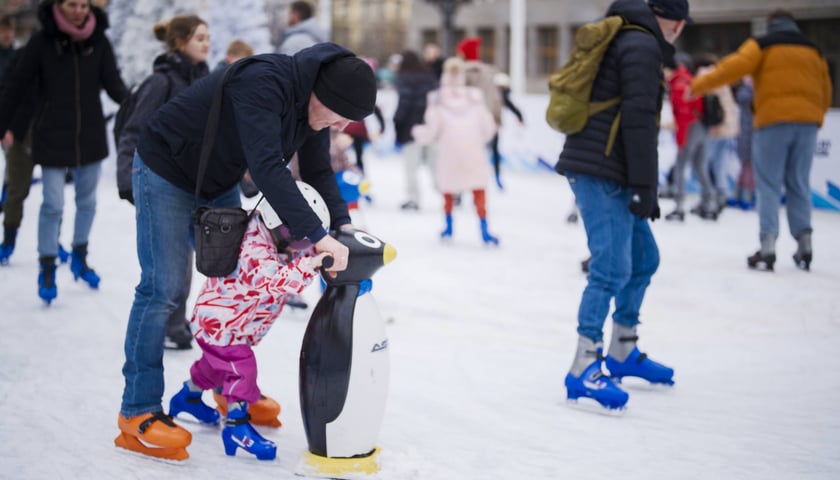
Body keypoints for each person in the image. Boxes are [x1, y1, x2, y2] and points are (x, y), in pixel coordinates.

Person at [114, 42, 376, 461]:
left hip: (216, 179)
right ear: (322, 95)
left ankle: (227, 385)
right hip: (165, 168)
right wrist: (316, 235)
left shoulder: (309, 107)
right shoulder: (263, 82)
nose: (342, 127)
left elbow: (318, 170)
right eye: (341, 115)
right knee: (162, 289)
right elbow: (268, 168)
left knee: (238, 285)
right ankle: (138, 409)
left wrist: (341, 228)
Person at [553, 0, 688, 411]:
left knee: (644, 258)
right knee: (611, 267)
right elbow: (639, 117)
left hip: (609, 165)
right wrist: (646, 185)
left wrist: (639, 182)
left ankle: (622, 351)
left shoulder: (627, 37)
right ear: (675, 23)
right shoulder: (641, 45)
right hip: (599, 169)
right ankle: (583, 366)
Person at [168, 184, 332, 461]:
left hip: (231, 325)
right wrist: (311, 265)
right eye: (301, 239)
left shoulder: (278, 235)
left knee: (214, 369)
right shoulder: (254, 247)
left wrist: (323, 248)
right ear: (278, 224)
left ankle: (187, 397)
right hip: (220, 326)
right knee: (242, 369)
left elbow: (301, 251)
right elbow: (271, 281)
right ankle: (236, 427)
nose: (302, 246)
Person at [0, 0, 127, 304]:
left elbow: (114, 86)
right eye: (72, 4)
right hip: (51, 135)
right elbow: (16, 85)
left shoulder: (98, 40)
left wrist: (141, 107)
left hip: (90, 136)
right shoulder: (42, 42)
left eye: (84, 4)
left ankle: (80, 257)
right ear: (58, 6)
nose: (80, 10)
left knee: (87, 203)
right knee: (53, 204)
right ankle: (47, 267)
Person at [690, 9, 831, 272]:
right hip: (808, 124)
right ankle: (805, 243)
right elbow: (826, 90)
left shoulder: (763, 44)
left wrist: (698, 85)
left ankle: (767, 247)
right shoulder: (814, 51)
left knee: (768, 184)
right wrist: (815, 116)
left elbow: (731, 68)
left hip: (772, 122)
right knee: (799, 183)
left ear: (770, 25)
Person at [116, 14, 210, 350]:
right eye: (199, 37)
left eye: (207, 37)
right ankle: (159, 328)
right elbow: (134, 131)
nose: (206, 43)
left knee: (186, 262)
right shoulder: (162, 82)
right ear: (180, 42)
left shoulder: (205, 80)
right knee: (166, 268)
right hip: (159, 182)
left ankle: (174, 321)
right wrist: (128, 178)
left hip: (193, 185)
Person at [412, 57, 498, 245]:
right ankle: (484, 229)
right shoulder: (475, 98)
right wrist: (478, 139)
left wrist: (417, 133)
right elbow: (488, 128)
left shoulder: (437, 100)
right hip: (473, 150)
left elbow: (432, 131)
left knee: (449, 191)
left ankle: (449, 228)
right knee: (478, 189)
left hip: (449, 151)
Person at [664, 53, 715, 221]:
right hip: (701, 127)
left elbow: (684, 113)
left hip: (689, 129)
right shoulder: (690, 80)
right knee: (700, 166)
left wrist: (680, 138)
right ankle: (710, 202)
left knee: (680, 166)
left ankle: (679, 206)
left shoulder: (679, 84)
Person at [392, 49, 438, 211]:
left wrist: (397, 124)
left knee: (411, 165)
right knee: (435, 164)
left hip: (411, 129)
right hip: (431, 127)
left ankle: (413, 198)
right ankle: (449, 193)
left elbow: (404, 104)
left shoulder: (404, 79)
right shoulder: (430, 77)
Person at [456, 37, 504, 188]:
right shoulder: (489, 73)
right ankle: (480, 186)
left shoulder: (461, 72)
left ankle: (461, 188)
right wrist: (497, 120)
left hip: (465, 122)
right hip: (486, 122)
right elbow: (496, 99)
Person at [697, 56, 740, 216]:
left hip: (715, 128)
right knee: (719, 165)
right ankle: (722, 195)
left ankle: (710, 199)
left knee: (704, 164)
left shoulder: (705, 75)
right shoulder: (722, 77)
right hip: (729, 128)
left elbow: (700, 97)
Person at [491, 72, 525, 189]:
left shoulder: (493, 94)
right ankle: (495, 177)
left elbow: (509, 105)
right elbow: (509, 104)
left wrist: (519, 116)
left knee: (493, 152)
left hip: (491, 127)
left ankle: (496, 177)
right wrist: (519, 116)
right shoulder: (496, 94)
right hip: (488, 127)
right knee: (492, 152)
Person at [733, 76, 755, 209]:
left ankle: (738, 194)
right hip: (748, 134)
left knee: (746, 166)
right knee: (748, 167)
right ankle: (746, 195)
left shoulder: (745, 94)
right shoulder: (750, 95)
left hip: (746, 133)